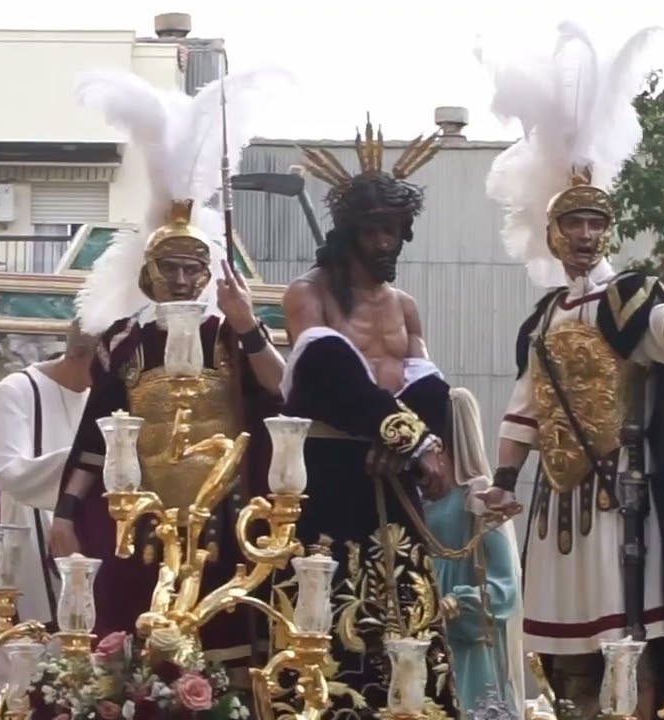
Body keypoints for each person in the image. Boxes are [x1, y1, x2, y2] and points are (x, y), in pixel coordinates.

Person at [479, 23, 664, 720]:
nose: (583, 235)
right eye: (572, 224)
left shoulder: (628, 295)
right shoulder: (545, 315)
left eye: (593, 224)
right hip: (557, 503)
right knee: (565, 656)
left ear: (606, 230)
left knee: (625, 640)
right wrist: (505, 481)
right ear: (553, 232)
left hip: (618, 500)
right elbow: (526, 402)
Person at [48, 67, 287, 671]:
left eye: (192, 268)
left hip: (224, 521)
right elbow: (93, 445)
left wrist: (245, 321)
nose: (181, 279)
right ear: (149, 274)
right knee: (136, 657)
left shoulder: (228, 337)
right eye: (170, 268)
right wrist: (65, 516)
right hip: (140, 526)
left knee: (222, 660)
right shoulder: (123, 346)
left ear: (207, 274)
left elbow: (277, 385)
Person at [279, 116, 462, 718]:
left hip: (394, 474)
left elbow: (426, 382)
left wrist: (424, 443)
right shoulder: (310, 294)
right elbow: (324, 377)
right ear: (350, 232)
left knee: (405, 606)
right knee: (331, 606)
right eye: (374, 231)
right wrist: (409, 438)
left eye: (394, 230)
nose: (386, 243)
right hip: (334, 467)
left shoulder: (405, 305)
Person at [0, 323, 93, 705]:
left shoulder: (104, 396)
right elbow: (13, 474)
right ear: (80, 353)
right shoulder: (14, 392)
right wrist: (101, 459)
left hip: (88, 548)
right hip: (18, 550)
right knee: (16, 683)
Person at [423, 387, 524, 716]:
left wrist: (457, 604)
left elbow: (503, 584)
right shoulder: (418, 496)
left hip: (465, 644)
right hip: (421, 630)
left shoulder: (477, 497)